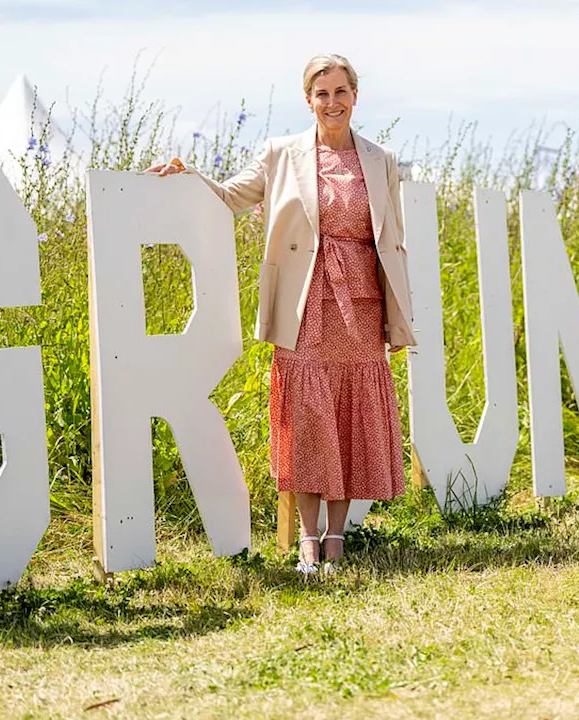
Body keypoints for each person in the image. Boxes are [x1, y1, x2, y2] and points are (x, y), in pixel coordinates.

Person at [146, 54, 416, 574]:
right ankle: (308, 540)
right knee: (311, 416)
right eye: (322, 94)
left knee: (350, 414)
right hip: (305, 301)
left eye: (341, 92)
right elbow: (230, 197)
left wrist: (397, 311)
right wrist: (189, 173)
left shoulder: (380, 160)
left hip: (361, 302)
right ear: (308, 100)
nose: (332, 103)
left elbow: (392, 239)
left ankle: (337, 536)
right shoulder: (282, 154)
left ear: (355, 96)